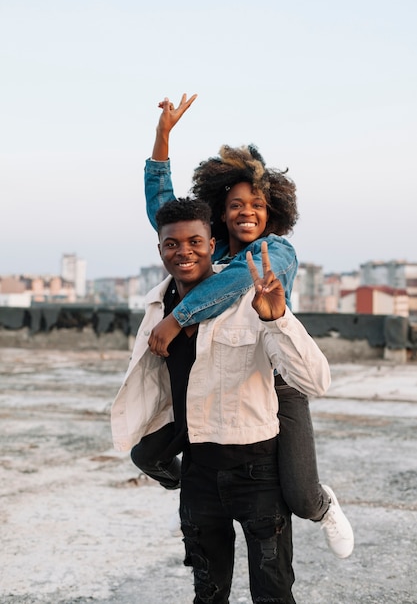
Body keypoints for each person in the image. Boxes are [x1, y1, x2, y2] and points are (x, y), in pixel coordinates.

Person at [135, 93, 354, 561]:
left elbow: (235, 283)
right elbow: (165, 214)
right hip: (215, 380)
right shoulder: (209, 252)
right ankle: (192, 487)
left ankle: (324, 504)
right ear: (220, 212)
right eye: (235, 204)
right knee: (147, 453)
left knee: (298, 496)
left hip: (274, 379)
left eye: (256, 203)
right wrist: (162, 138)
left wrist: (177, 319)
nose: (246, 211)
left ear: (272, 211)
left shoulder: (277, 253)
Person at [111, 197, 332, 603]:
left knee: (273, 594)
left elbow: (315, 381)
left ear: (213, 244)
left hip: (258, 472)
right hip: (199, 473)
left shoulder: (252, 300)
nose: (184, 252)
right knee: (208, 594)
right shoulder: (157, 308)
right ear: (159, 251)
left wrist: (277, 318)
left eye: (195, 241)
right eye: (172, 244)